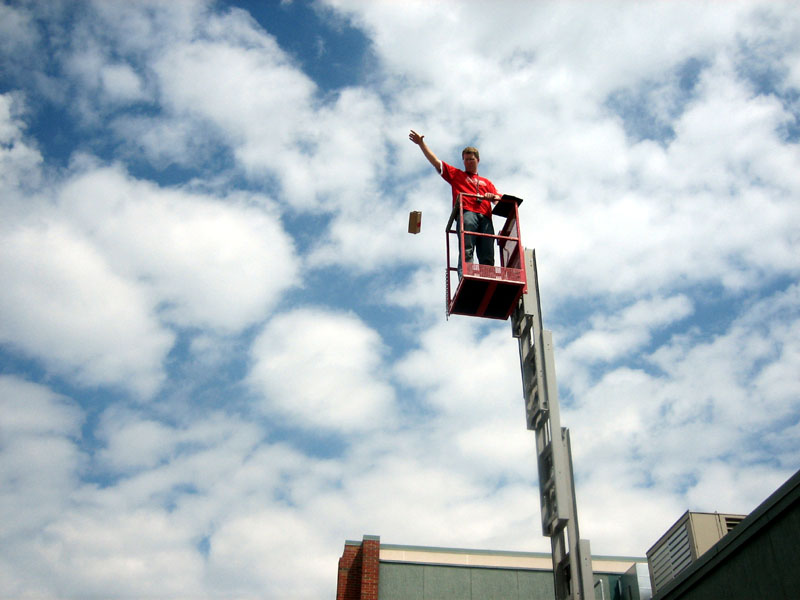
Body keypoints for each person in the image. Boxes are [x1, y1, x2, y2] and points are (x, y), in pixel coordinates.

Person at [408, 129, 501, 274]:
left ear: (478, 160)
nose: (468, 162)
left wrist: (492, 197)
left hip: (485, 218)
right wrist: (421, 144)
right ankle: (466, 276)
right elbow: (436, 162)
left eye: (471, 159)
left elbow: (499, 200)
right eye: (465, 159)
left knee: (487, 254)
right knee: (467, 249)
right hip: (467, 214)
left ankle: (488, 279)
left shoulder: (486, 182)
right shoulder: (456, 174)